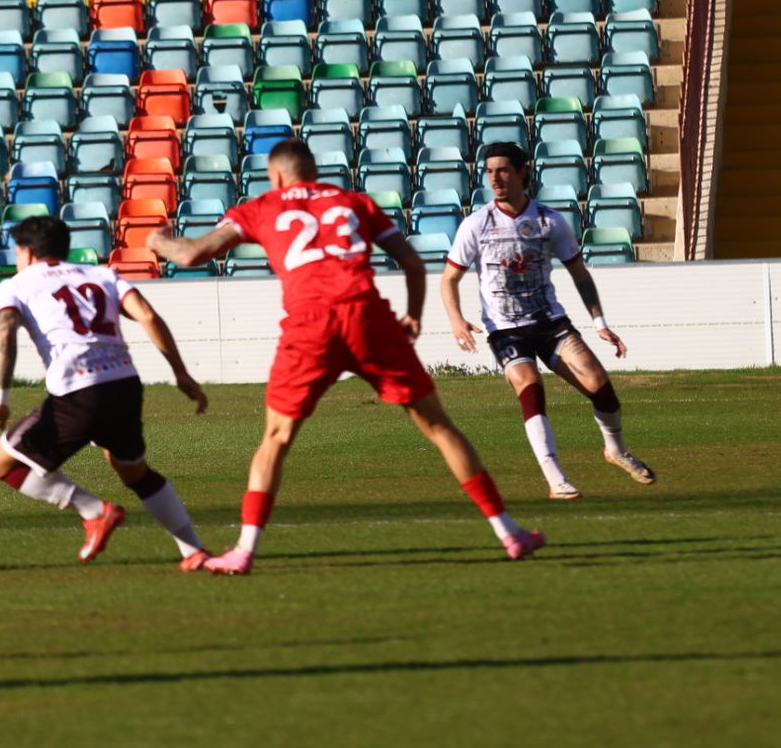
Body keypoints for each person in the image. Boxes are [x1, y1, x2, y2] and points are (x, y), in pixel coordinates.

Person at [147, 140, 544, 575]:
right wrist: (411, 315)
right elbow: (411, 262)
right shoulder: (354, 202)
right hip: (366, 315)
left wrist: (159, 241)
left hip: (309, 324)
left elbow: (190, 255)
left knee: (276, 439)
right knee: (438, 425)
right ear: (313, 173)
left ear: (276, 176)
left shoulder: (262, 205)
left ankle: (243, 550)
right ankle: (508, 532)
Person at [0, 216, 212, 570]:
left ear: (25, 252)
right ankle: (194, 550)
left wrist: (0, 401)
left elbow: (5, 334)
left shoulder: (17, 284)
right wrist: (180, 372)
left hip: (78, 391)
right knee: (133, 471)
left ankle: (94, 511)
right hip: (124, 384)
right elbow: (147, 315)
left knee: (1, 461)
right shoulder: (101, 274)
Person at [440, 142, 656, 500]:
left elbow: (580, 274)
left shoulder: (549, 221)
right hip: (505, 328)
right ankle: (556, 479)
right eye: (490, 170)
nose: (495, 177)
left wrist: (599, 321)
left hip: (550, 323)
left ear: (523, 172)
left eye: (503, 169)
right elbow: (449, 278)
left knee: (600, 385)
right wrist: (456, 320)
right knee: (530, 387)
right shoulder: (476, 224)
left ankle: (615, 450)